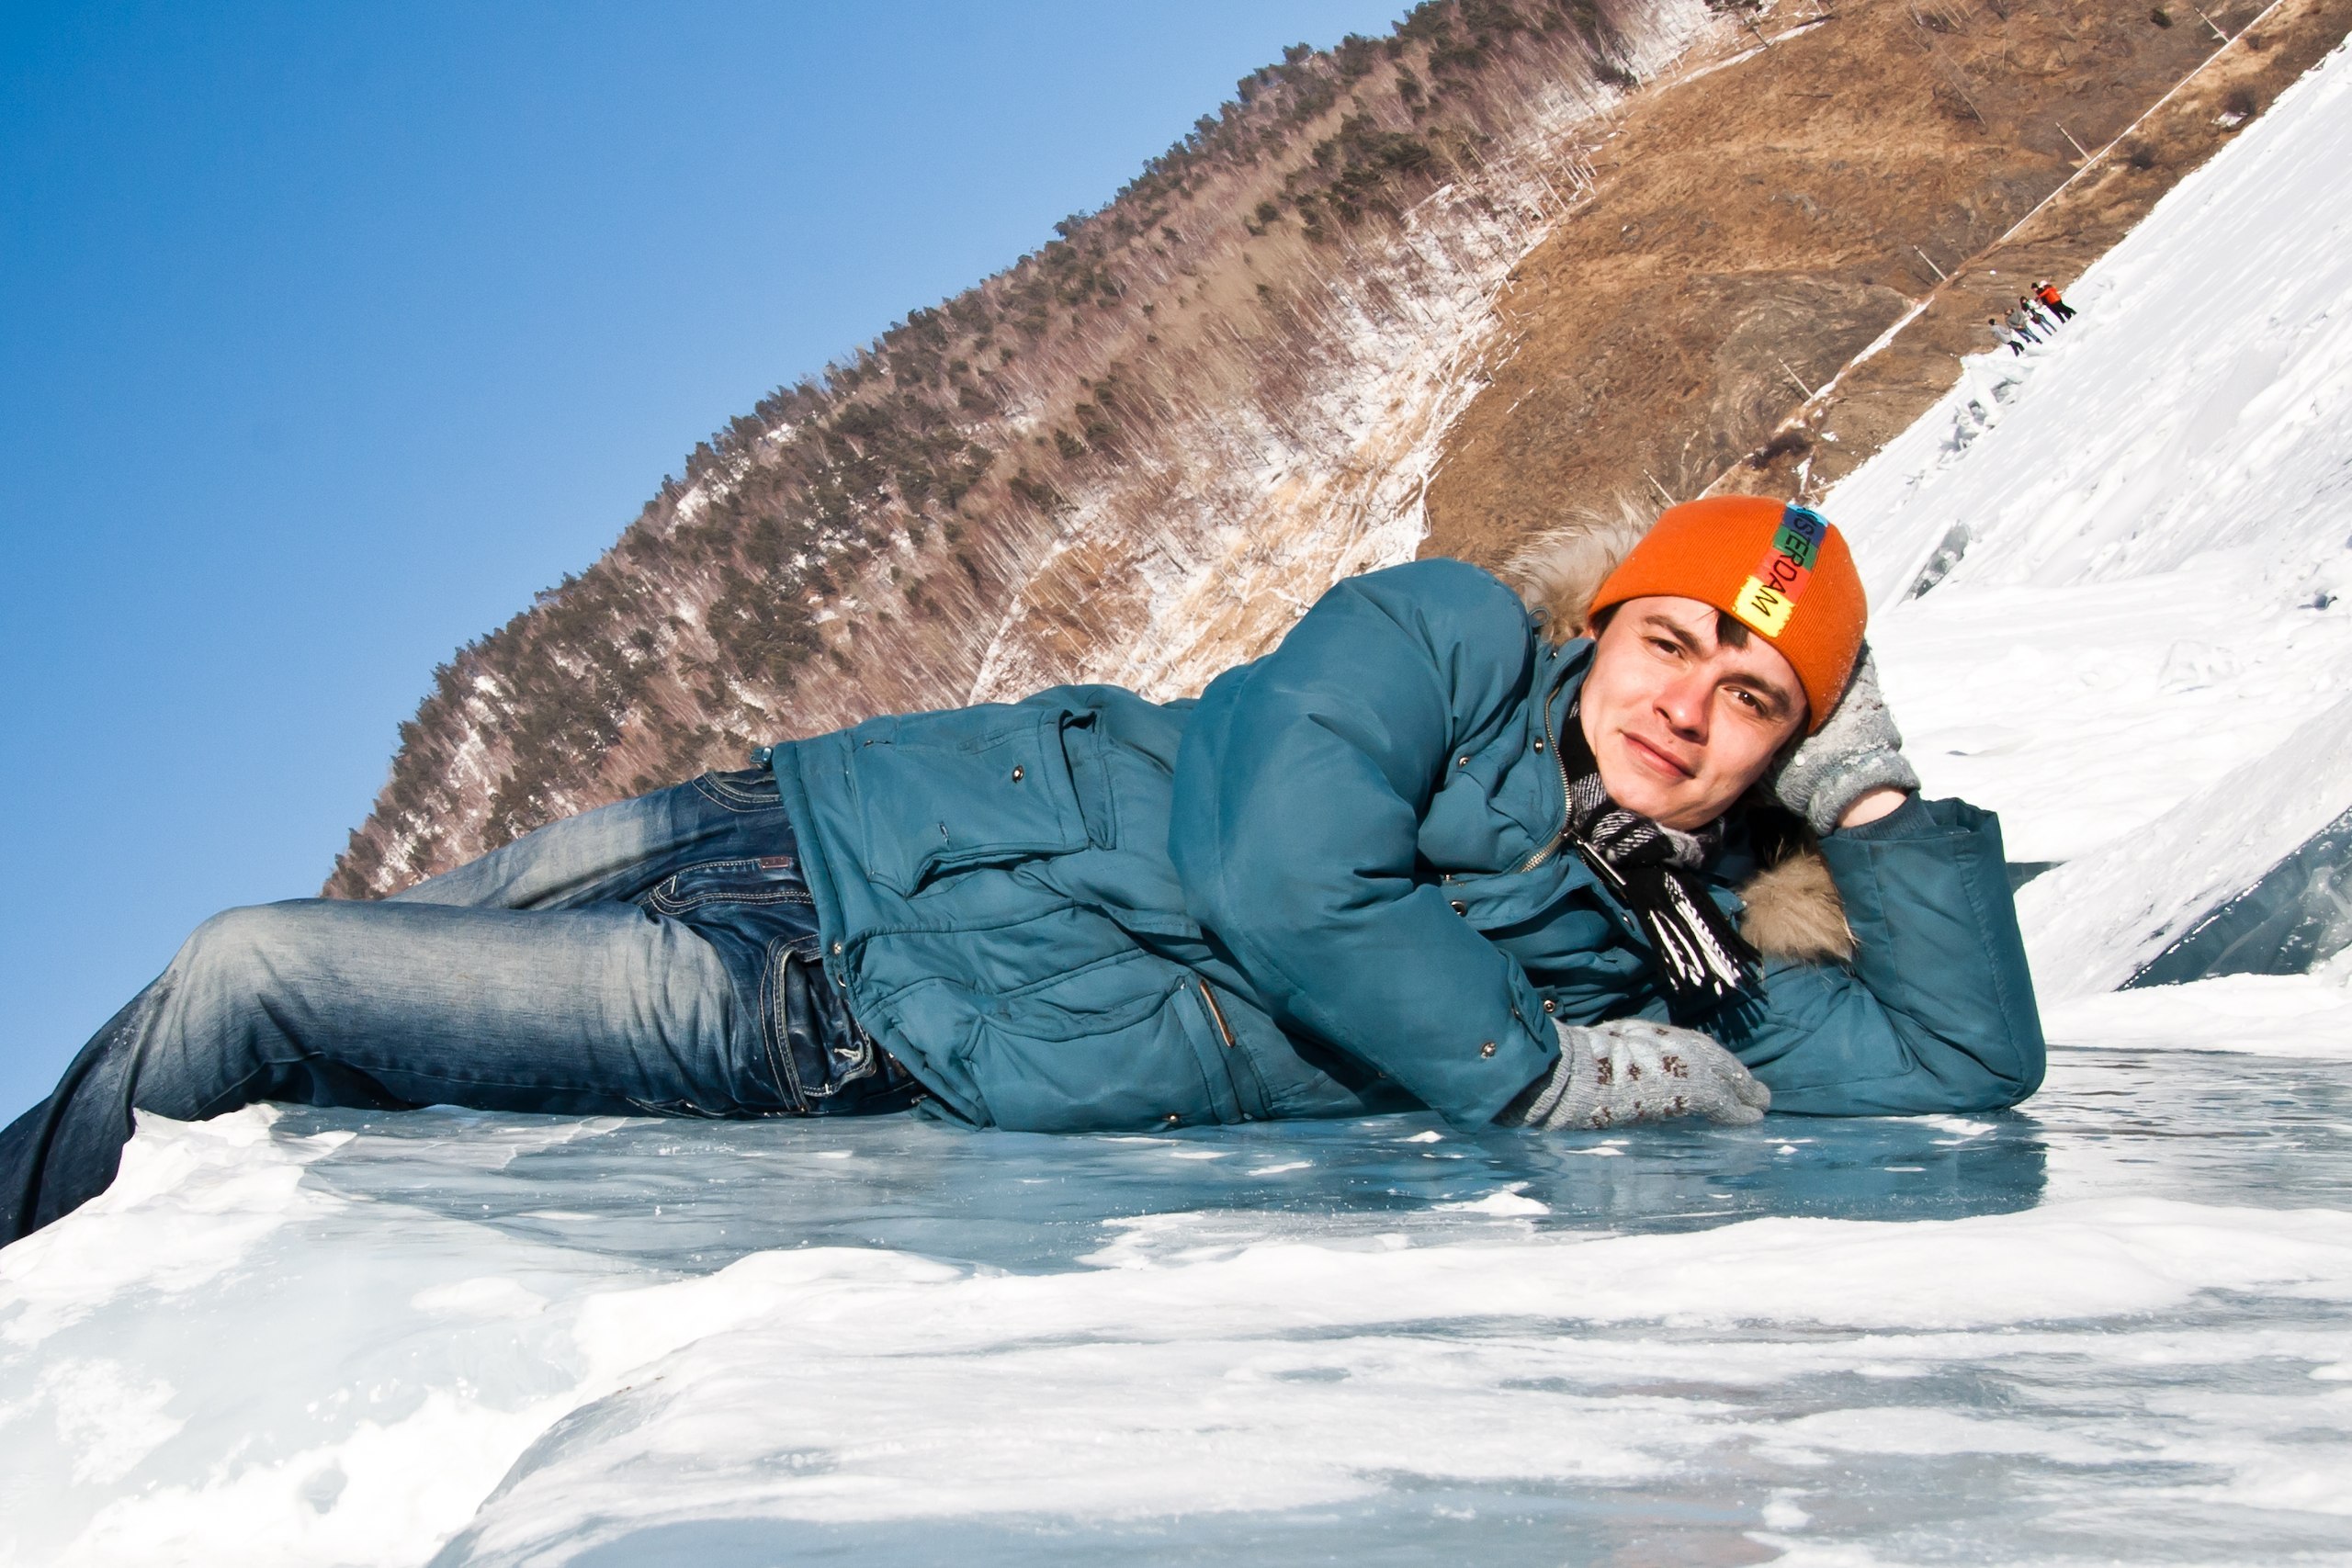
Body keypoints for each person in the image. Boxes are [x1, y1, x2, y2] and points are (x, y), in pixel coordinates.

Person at [0, 498, 2044, 1247]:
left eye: (1760, 699)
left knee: (252, 977)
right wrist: (1530, 1071)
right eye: (1672, 641)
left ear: (1783, 750)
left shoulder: (1679, 959)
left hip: (832, 1017)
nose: (1689, 705)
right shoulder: (1442, 635)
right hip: (797, 817)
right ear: (1604, 623)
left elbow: (1961, 1058)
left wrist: (1871, 803)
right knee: (212, 1004)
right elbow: (1276, 863)